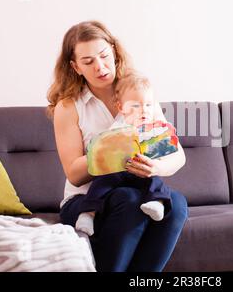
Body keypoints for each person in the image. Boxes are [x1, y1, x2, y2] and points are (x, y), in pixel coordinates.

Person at [47, 20, 188, 272]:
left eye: (104, 56)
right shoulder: (68, 107)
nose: (100, 67)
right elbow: (74, 174)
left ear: (114, 51)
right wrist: (111, 154)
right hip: (85, 201)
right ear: (75, 66)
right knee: (128, 198)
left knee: (176, 204)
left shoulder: (138, 94)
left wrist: (154, 167)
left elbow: (176, 155)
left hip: (136, 188)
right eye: (88, 62)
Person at [75, 73, 176, 236]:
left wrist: (165, 138)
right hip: (116, 173)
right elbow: (103, 147)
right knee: (100, 183)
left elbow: (167, 148)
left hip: (141, 172)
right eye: (136, 106)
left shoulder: (152, 126)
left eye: (149, 105)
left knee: (156, 180)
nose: (144, 110)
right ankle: (87, 214)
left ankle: (156, 202)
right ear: (121, 107)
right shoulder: (117, 126)